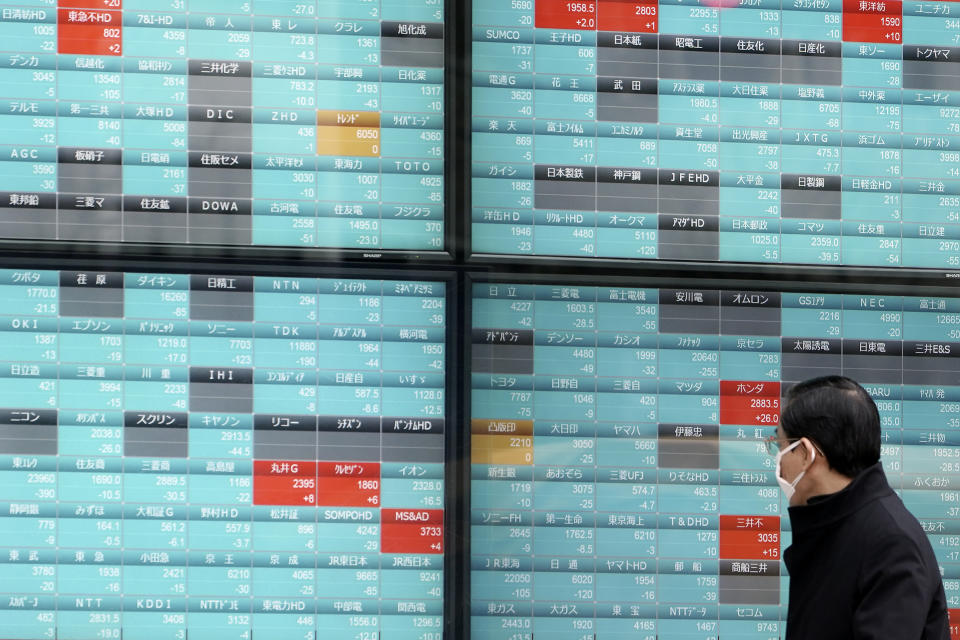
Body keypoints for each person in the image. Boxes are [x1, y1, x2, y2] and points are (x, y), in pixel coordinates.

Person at [770, 375, 949, 640]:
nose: (778, 461)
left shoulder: (891, 544)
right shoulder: (834, 527)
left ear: (806, 453)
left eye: (780, 446)